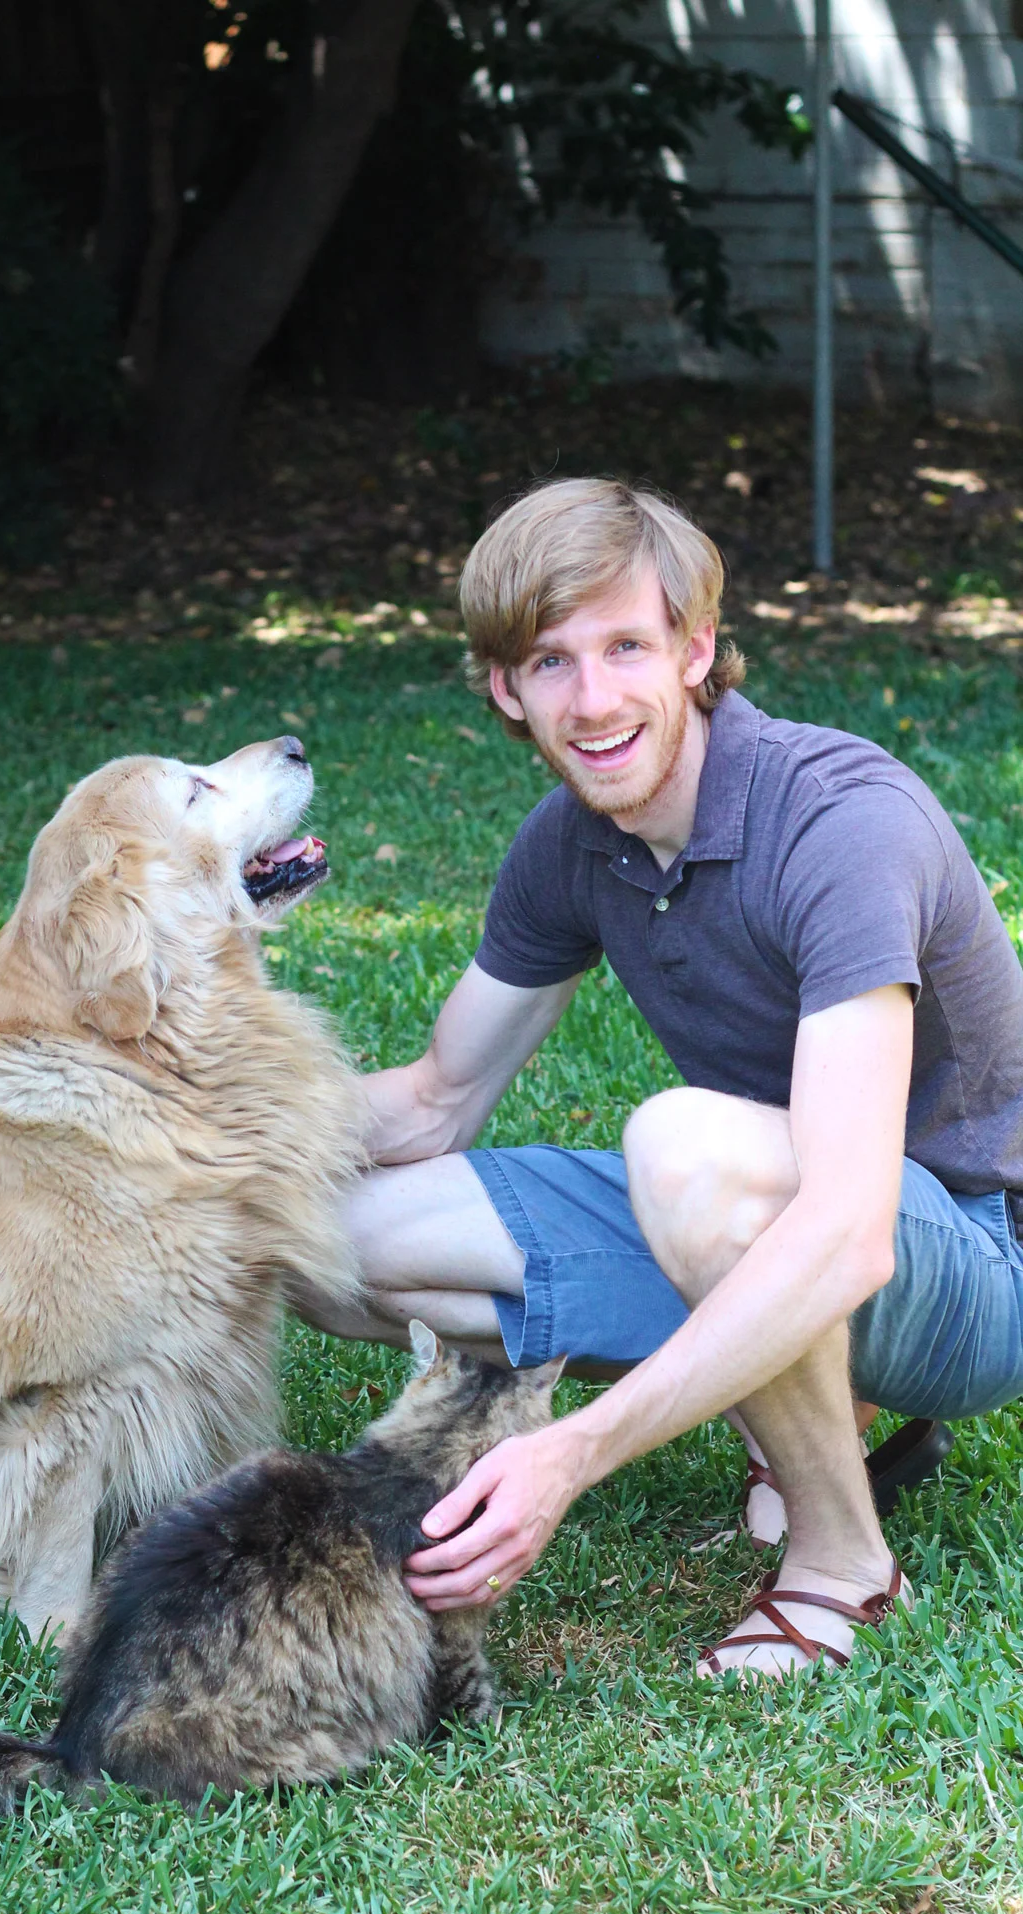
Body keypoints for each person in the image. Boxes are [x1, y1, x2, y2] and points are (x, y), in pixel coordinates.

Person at [306, 478, 1023, 1676]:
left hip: (979, 1262)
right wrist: (164, 1136)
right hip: (776, 1207)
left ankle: (844, 1565)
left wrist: (572, 1451)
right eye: (551, 661)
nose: (592, 702)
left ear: (696, 651)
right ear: (505, 688)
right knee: (332, 1238)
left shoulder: (839, 823)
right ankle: (803, 1392)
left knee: (684, 1149)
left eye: (626, 647)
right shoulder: (569, 846)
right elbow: (434, 1099)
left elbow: (852, 1232)